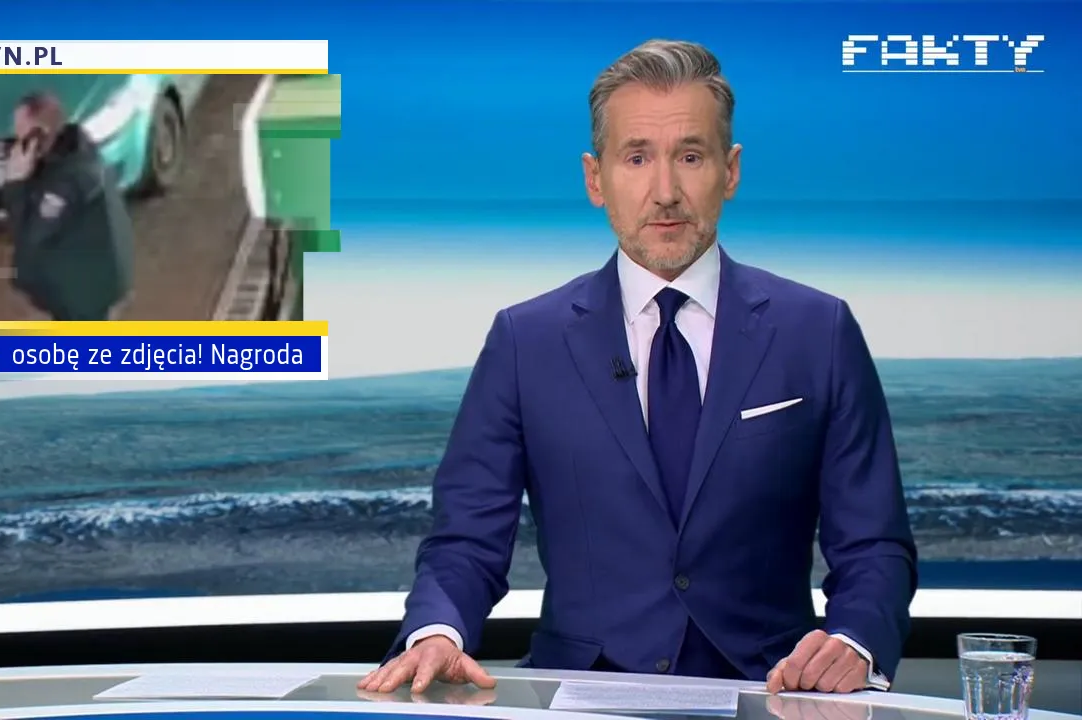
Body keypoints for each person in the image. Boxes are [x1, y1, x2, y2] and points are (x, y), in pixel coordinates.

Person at [359, 39, 917, 696]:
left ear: (731, 170)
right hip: (580, 692)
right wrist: (437, 632)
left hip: (771, 691)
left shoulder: (818, 331)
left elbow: (874, 544)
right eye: (637, 157)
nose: (666, 192)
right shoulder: (525, 341)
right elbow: (466, 538)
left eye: (690, 156)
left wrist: (853, 642)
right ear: (595, 179)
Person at [3, 90, 134, 321]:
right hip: (80, 283)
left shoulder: (69, 180)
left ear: (39, 135)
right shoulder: (70, 151)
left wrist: (15, 183)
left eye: (22, 136)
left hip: (85, 299)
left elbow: (30, 235)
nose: (17, 142)